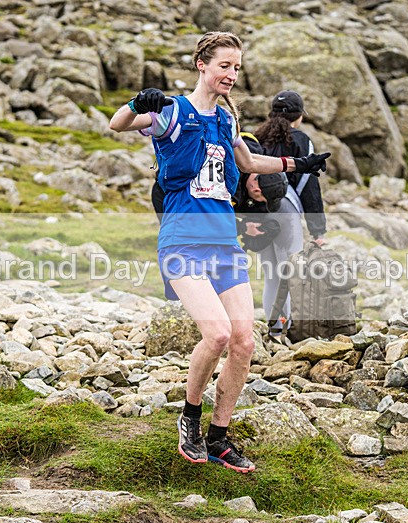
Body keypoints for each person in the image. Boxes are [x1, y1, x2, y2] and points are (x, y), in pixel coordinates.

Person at [109, 31, 329, 474]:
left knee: (245, 342)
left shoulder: (227, 121)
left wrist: (296, 164)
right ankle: (189, 419)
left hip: (224, 244)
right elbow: (117, 124)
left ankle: (219, 437)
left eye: (237, 68)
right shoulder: (171, 111)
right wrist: (138, 103)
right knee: (218, 337)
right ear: (202, 65)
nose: (232, 75)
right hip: (183, 242)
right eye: (225, 66)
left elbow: (247, 163)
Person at [234, 134, 303, 333]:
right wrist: (243, 227)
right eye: (260, 197)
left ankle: (284, 327)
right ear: (255, 185)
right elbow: (214, 215)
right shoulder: (234, 173)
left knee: (285, 274)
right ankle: (278, 329)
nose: (261, 201)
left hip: (286, 219)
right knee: (272, 275)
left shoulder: (264, 180)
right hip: (262, 219)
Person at [255, 90, 327, 245]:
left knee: (270, 266)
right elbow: (308, 184)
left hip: (259, 207)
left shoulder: (258, 137)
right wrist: (317, 230)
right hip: (286, 205)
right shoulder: (300, 140)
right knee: (290, 264)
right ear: (299, 116)